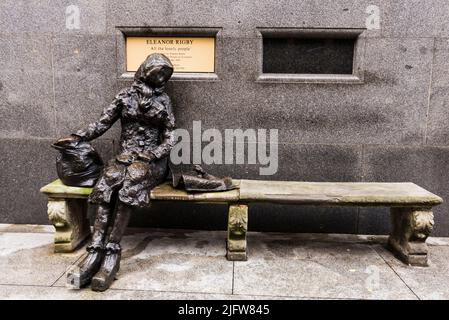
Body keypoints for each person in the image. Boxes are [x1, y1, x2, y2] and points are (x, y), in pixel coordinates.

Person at [59, 53, 176, 291]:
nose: (162, 78)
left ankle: (112, 251)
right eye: (158, 72)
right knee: (109, 179)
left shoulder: (164, 101)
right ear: (145, 71)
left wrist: (154, 154)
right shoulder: (124, 97)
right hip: (124, 157)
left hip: (152, 162)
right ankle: (95, 250)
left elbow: (170, 136)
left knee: (131, 181)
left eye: (165, 74)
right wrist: (78, 136)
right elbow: (102, 123)